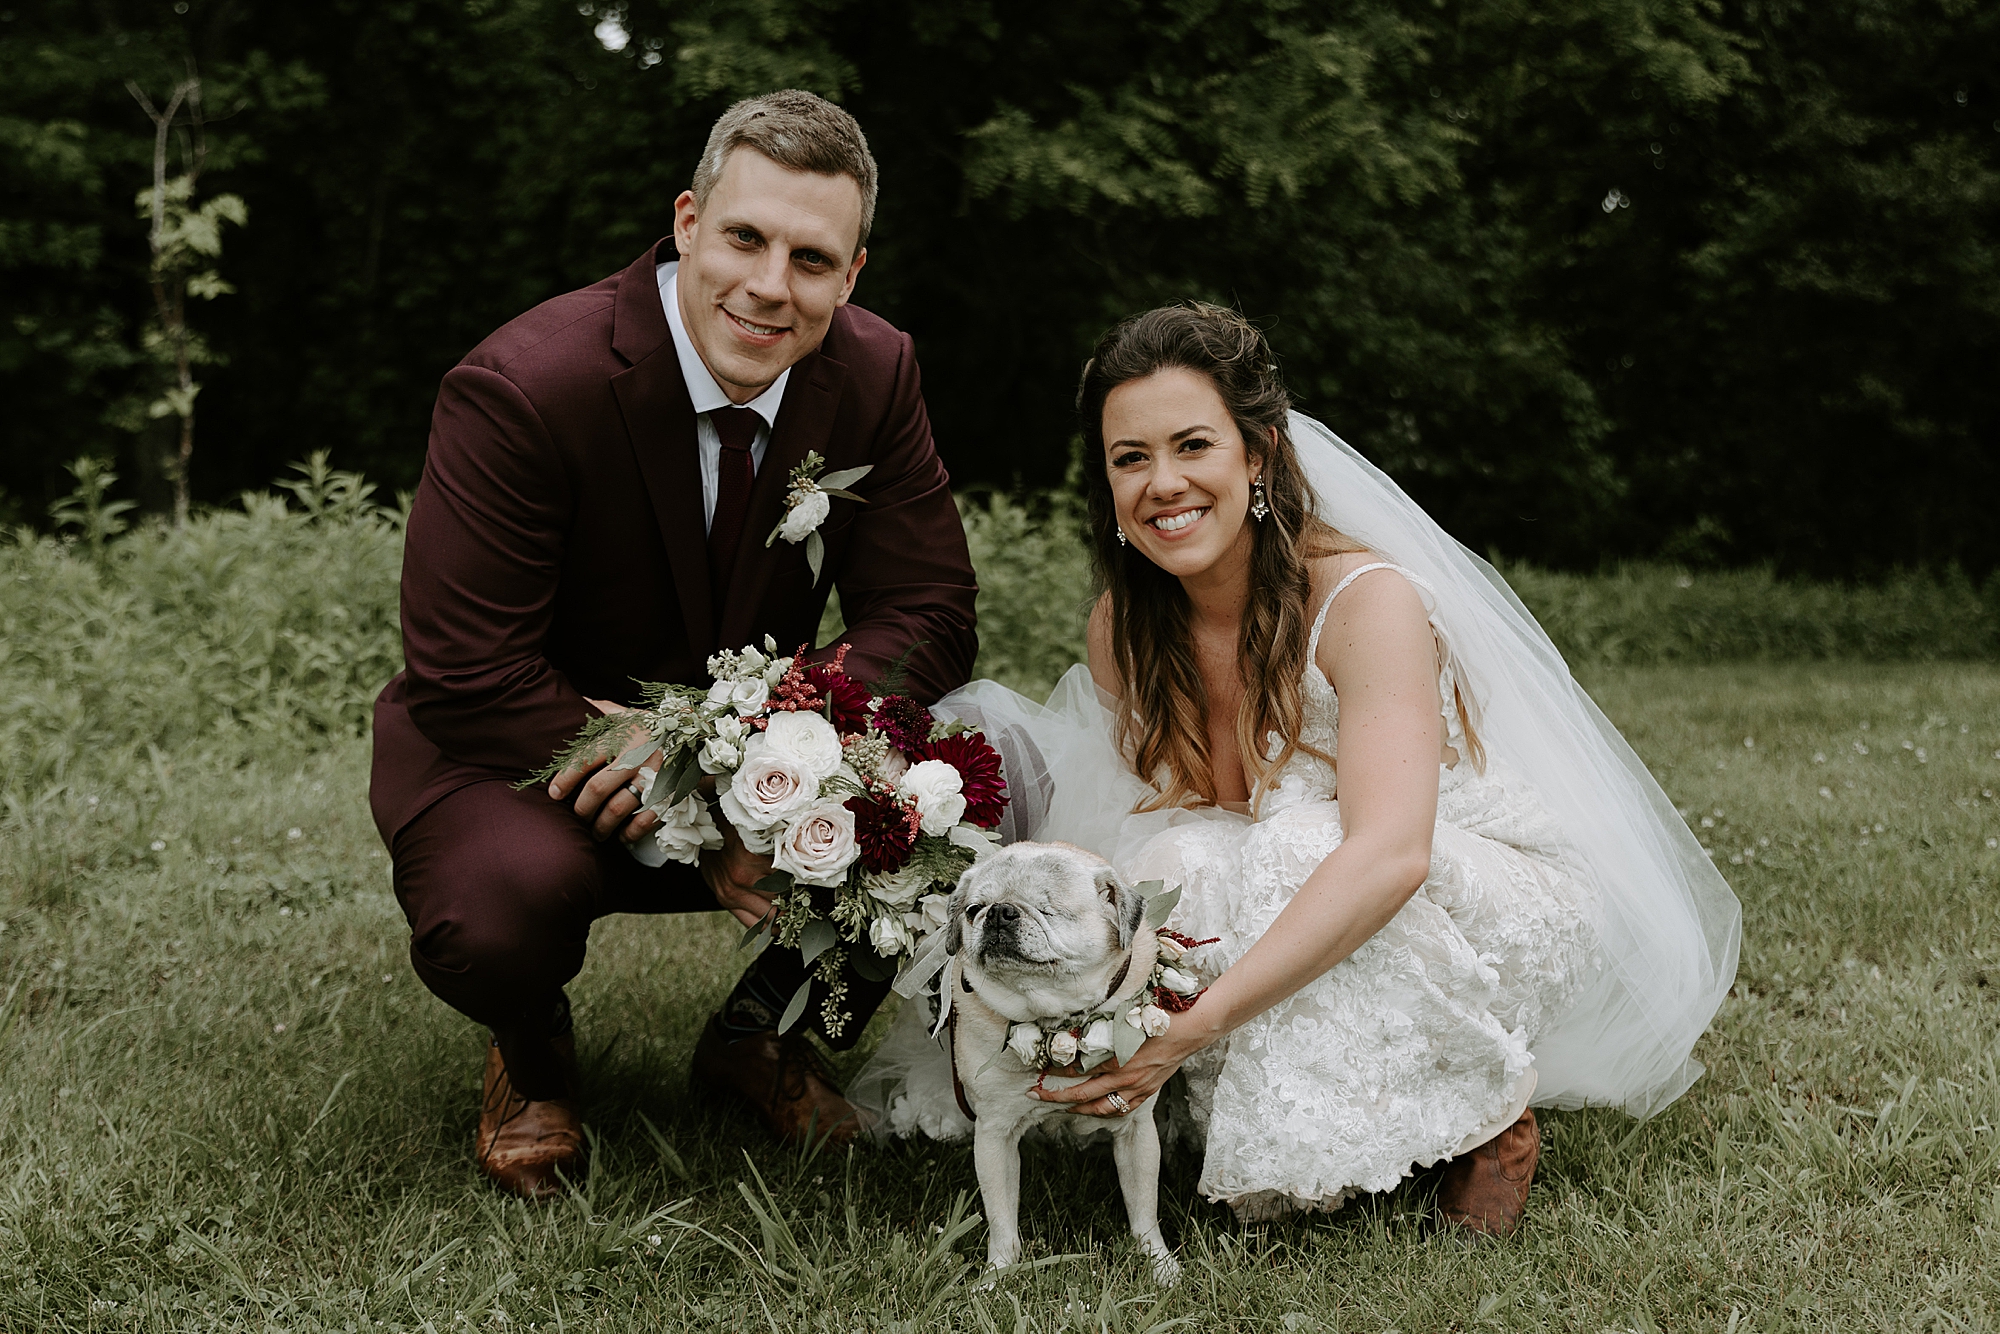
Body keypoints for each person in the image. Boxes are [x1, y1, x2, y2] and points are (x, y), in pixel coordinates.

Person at [856, 303, 1739, 1236]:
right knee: (1176, 865)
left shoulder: (1368, 602)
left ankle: (1491, 1114)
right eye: (1129, 458)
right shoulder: (1125, 629)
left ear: (1260, 456)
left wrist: (1185, 1032)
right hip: (1291, 859)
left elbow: (1389, 853)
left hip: (1469, 877)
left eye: (1193, 445)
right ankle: (1316, 1126)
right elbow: (1159, 820)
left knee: (1298, 845)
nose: (1163, 484)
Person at [368, 90, 979, 1199]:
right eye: (744, 236)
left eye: (809, 258)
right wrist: (685, 790)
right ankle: (534, 1055)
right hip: (533, 760)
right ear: (689, 221)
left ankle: (762, 1033)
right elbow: (468, 665)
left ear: (848, 278)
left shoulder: (876, 371)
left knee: (964, 799)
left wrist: (789, 775)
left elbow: (928, 605)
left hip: (770, 738)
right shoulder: (523, 386)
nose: (767, 285)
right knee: (493, 905)